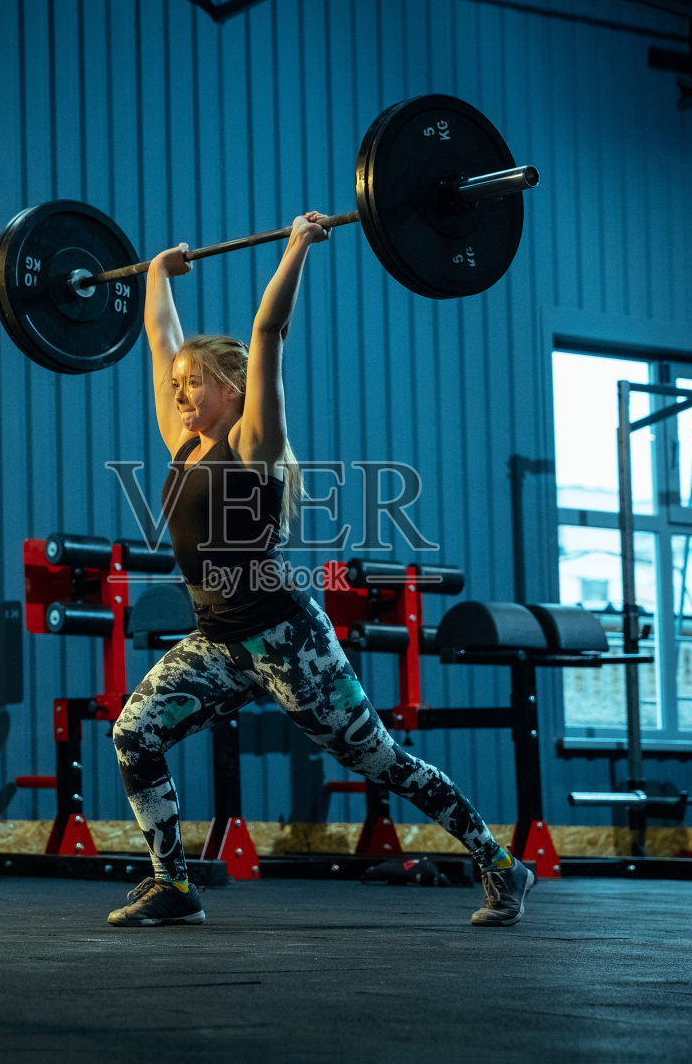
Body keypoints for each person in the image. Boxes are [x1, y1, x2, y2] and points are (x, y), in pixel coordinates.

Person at [106, 212, 534, 928]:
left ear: (232, 390)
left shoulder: (253, 445)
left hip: (287, 639)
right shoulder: (183, 443)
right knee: (132, 731)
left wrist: (296, 247)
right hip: (219, 640)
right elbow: (159, 339)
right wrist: (155, 274)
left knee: (381, 761)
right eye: (177, 385)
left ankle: (498, 863)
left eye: (194, 383)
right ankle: (173, 884)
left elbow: (269, 335)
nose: (179, 393)